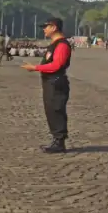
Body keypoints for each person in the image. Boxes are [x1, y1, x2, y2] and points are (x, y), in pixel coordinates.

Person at [21, 18, 72, 154]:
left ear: (54, 27)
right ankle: (56, 139)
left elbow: (57, 65)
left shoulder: (61, 45)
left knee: (56, 110)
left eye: (46, 26)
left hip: (56, 82)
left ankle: (59, 142)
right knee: (51, 110)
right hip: (50, 82)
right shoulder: (54, 44)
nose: (44, 29)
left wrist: (35, 67)